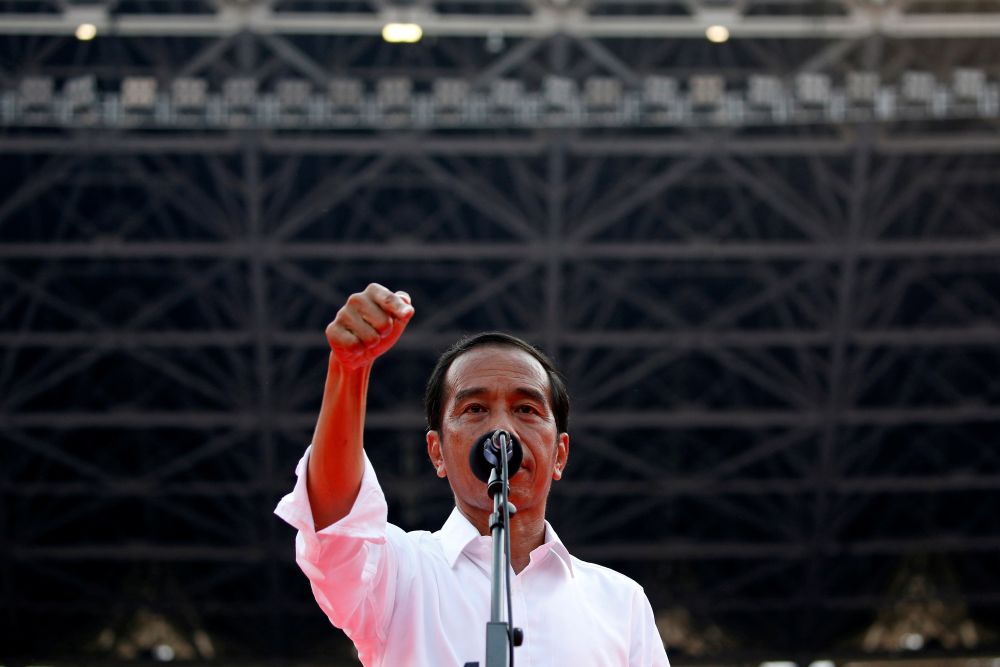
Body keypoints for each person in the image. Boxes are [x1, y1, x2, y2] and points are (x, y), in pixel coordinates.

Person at [275, 283, 670, 666]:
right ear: (437, 453)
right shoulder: (399, 572)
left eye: (526, 410)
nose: (502, 430)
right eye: (475, 409)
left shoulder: (620, 603)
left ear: (559, 455)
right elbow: (334, 523)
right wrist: (349, 370)